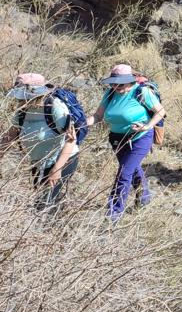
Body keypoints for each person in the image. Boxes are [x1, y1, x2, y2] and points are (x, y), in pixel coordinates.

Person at [1, 74, 80, 214]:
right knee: (39, 198)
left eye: (22, 96)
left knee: (44, 203)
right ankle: (57, 226)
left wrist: (56, 169)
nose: (19, 99)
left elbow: (70, 140)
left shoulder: (55, 107)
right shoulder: (22, 111)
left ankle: (50, 230)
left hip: (62, 160)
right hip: (38, 162)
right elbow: (10, 135)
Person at [95, 64, 164, 220]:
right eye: (113, 83)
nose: (116, 86)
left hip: (140, 138)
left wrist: (147, 126)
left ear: (130, 81)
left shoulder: (142, 92)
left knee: (123, 173)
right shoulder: (109, 94)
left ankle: (113, 214)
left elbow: (160, 112)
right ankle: (145, 197)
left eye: (120, 83)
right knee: (131, 169)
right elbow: (98, 116)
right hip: (117, 138)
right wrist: (81, 123)